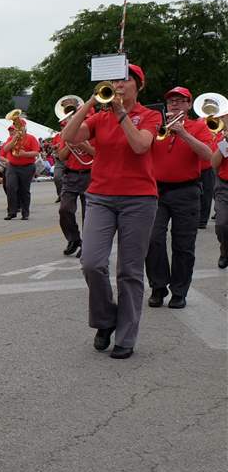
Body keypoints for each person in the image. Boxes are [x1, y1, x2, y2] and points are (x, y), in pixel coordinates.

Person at [62, 64, 160, 360]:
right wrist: (91, 102)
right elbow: (70, 136)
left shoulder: (151, 116)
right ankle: (105, 321)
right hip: (101, 197)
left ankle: (126, 336)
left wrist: (120, 114)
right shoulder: (99, 116)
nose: (119, 85)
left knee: (129, 271)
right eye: (115, 80)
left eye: (126, 79)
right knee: (91, 262)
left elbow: (141, 145)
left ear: (138, 86)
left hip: (139, 199)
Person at [144, 86, 213, 309]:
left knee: (183, 245)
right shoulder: (157, 127)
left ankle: (179, 291)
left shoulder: (199, 126)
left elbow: (209, 156)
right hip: (157, 191)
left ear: (189, 104)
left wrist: (183, 133)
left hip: (187, 191)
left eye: (180, 101)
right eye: (171, 101)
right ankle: (158, 286)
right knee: (153, 239)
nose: (174, 104)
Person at [53, 126, 95, 256]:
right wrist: (69, 145)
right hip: (71, 175)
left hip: (90, 175)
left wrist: (83, 145)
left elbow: (98, 153)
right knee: (64, 209)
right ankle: (74, 239)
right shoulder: (68, 133)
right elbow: (61, 156)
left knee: (88, 214)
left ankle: (87, 245)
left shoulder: (94, 132)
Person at [0, 113, 39, 220]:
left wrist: (25, 154)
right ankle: (12, 212)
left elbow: (36, 153)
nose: (17, 129)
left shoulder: (31, 138)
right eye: (16, 127)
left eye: (19, 127)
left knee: (24, 190)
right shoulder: (12, 138)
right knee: (10, 187)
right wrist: (14, 140)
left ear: (24, 128)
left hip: (27, 167)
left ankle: (25, 213)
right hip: (13, 166)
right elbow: (5, 150)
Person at [210, 130, 228, 268]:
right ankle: (225, 250)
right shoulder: (222, 138)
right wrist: (225, 142)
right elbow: (214, 164)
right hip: (224, 186)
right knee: (221, 224)